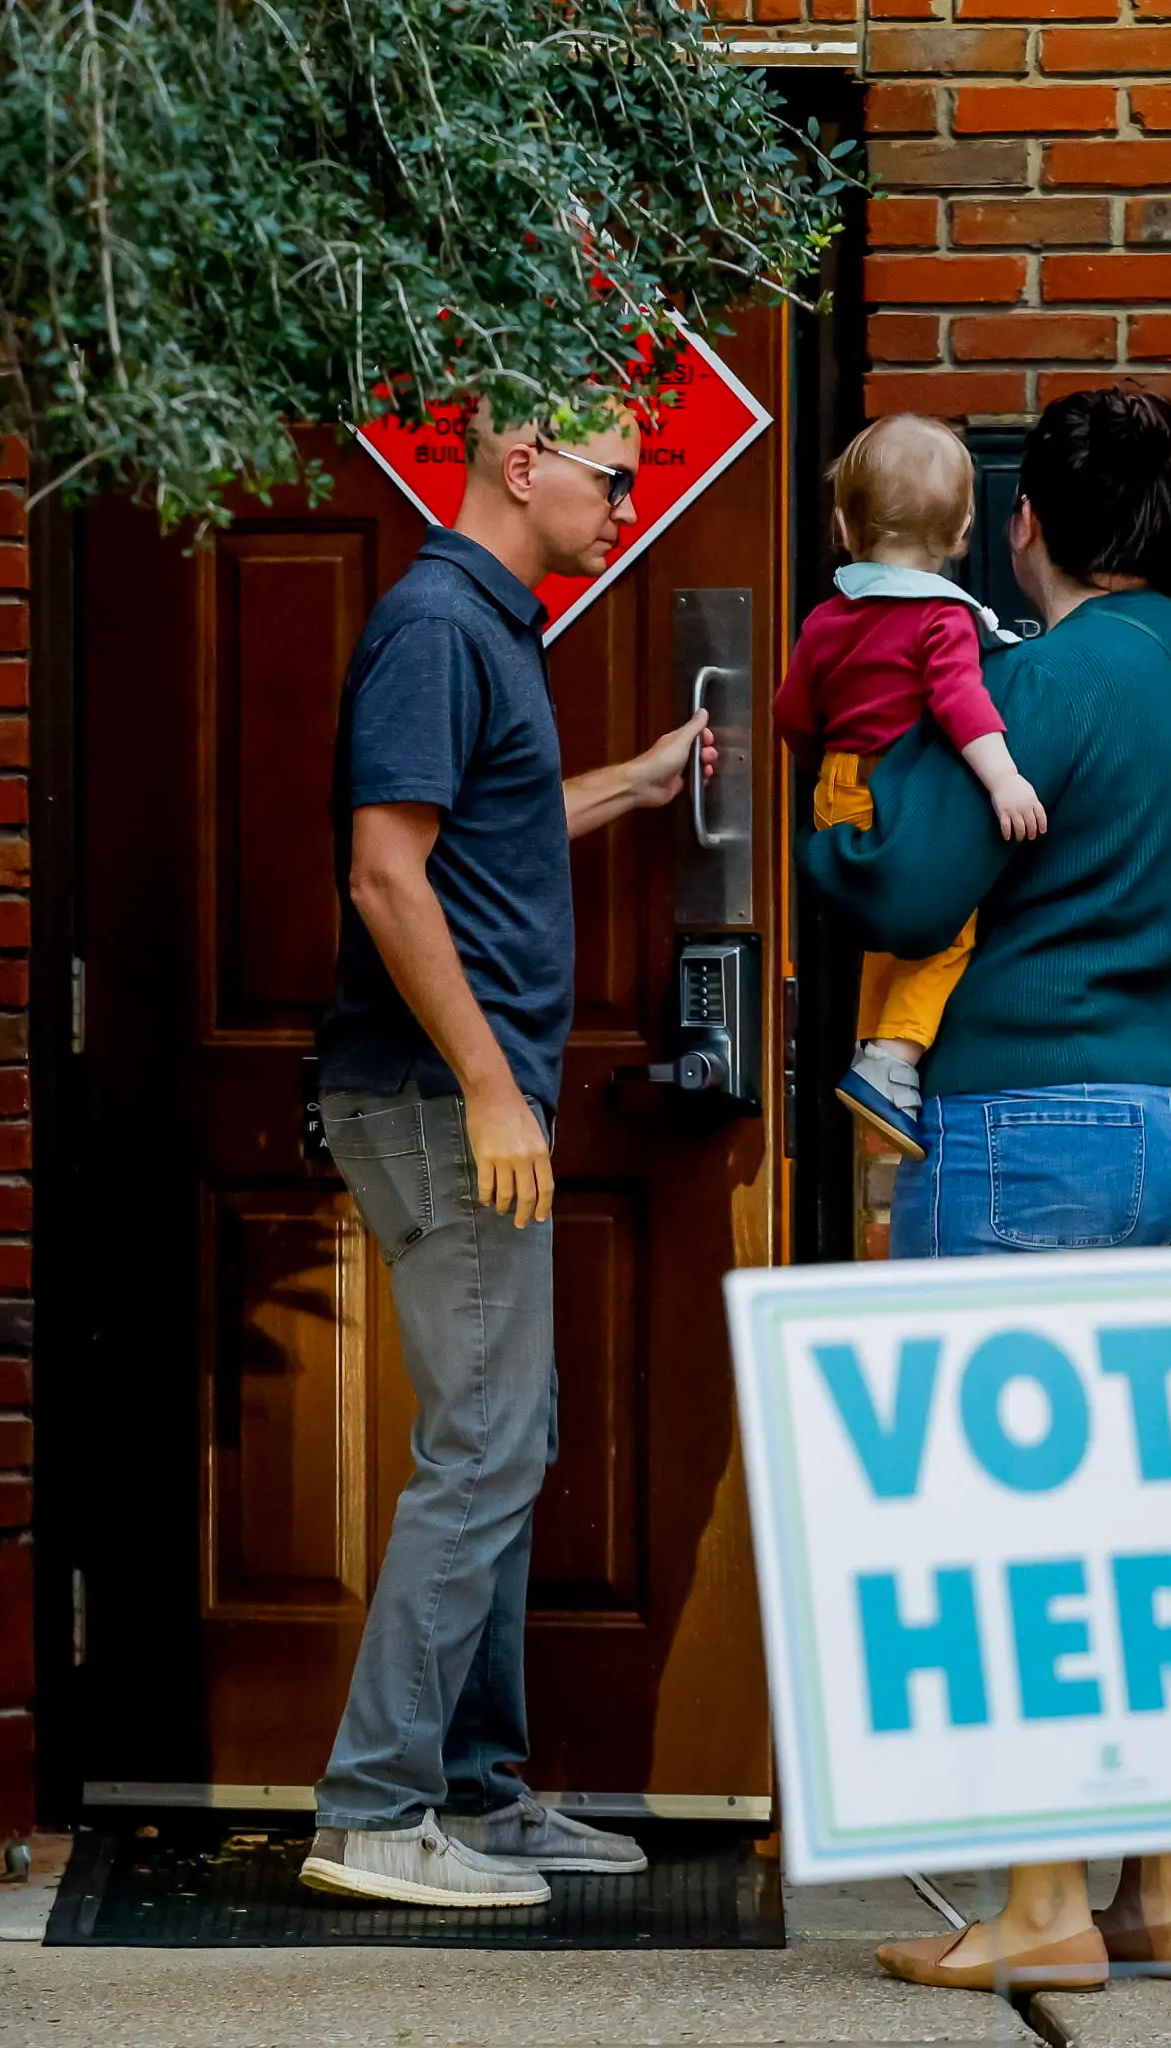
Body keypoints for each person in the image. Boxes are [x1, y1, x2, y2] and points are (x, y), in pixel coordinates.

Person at [798, 385, 1171, 1992]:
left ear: (1025, 528)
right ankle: (1164, 1892)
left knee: (1008, 1528)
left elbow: (918, 877)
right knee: (1154, 1525)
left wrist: (829, 831)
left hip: (1030, 1127)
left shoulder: (1046, 676)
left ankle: (1040, 1909)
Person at [297, 400, 716, 1909]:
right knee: (482, 1447)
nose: (624, 499)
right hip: (432, 1096)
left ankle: (474, 1793)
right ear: (522, 463)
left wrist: (638, 781)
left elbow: (486, 828)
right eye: (612, 474)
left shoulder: (488, 625)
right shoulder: (434, 626)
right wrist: (487, 1084)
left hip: (459, 1094)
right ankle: (373, 1813)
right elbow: (385, 869)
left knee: (506, 1440)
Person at [775, 414, 1044, 1161]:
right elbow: (962, 703)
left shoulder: (829, 617)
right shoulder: (941, 617)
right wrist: (1005, 780)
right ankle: (893, 1056)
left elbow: (792, 711)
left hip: (839, 790)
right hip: (905, 796)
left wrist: (821, 766)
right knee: (948, 926)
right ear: (962, 529)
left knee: (888, 934)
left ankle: (876, 1057)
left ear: (842, 521)